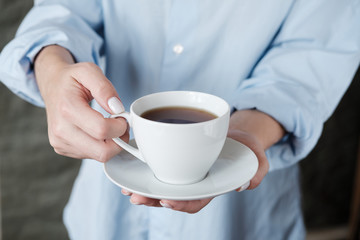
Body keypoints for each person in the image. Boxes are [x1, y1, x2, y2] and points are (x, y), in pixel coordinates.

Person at [1, 0, 359, 239]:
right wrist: (53, 69)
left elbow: (312, 51)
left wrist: (244, 135)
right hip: (105, 211)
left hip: (242, 216)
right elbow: (66, 9)